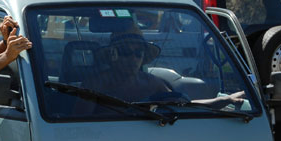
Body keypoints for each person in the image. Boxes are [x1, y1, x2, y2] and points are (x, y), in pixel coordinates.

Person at [83, 25, 245, 108]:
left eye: (138, 52)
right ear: (113, 55)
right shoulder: (96, 85)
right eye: (126, 51)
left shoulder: (153, 84)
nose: (133, 58)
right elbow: (79, 128)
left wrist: (224, 100)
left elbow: (185, 106)